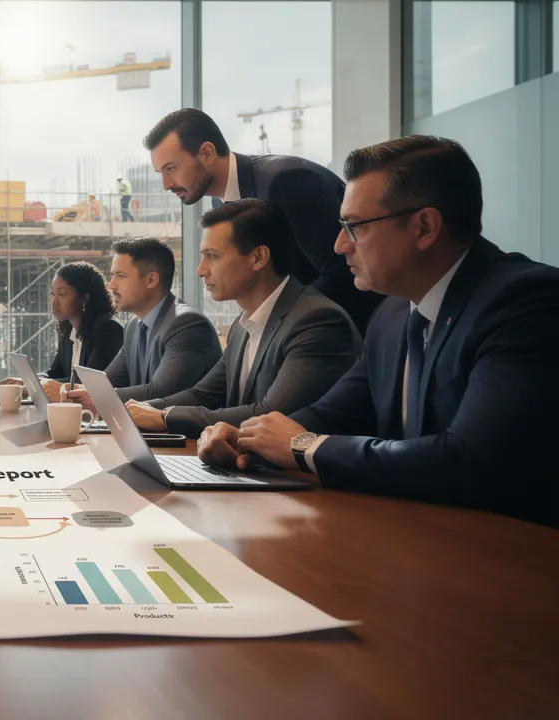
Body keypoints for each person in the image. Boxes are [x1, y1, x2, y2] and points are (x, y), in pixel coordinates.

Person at [197, 136, 559, 527]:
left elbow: (469, 460)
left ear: (424, 227)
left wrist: (302, 446)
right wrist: (247, 439)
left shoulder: (526, 302)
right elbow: (330, 414)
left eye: (354, 227)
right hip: (410, 538)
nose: (339, 246)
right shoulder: (391, 316)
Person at [127, 199, 361, 439]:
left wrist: (166, 417)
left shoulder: (317, 321)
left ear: (258, 257)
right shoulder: (242, 327)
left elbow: (271, 415)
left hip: (298, 475)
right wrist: (137, 410)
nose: (201, 270)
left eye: (212, 256)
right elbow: (203, 395)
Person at [145, 108, 384, 333]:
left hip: (352, 335)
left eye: (171, 169)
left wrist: (273, 324)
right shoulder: (221, 203)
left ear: (207, 153)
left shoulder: (287, 181)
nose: (166, 185)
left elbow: (340, 273)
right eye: (161, 173)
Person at [66, 237, 220, 410]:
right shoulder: (133, 326)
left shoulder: (188, 325)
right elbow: (108, 381)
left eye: (120, 276)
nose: (111, 286)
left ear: (151, 280)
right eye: (112, 275)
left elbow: (162, 392)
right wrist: (76, 390)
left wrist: (97, 396)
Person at [1, 262, 124, 403]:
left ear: (84, 298)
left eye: (62, 294)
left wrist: (33, 386)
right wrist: (25, 381)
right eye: (53, 294)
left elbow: (85, 384)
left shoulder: (108, 329)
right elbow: (55, 373)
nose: (54, 301)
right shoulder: (68, 329)